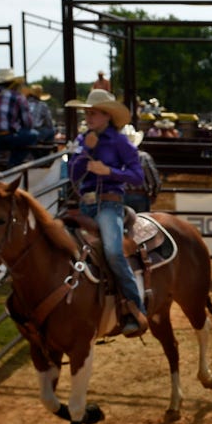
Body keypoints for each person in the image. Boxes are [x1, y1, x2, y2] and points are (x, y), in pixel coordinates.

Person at [66, 89, 147, 338]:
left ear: (106, 116)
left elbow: (138, 176)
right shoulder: (83, 140)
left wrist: (109, 172)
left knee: (113, 251)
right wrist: (84, 154)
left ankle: (135, 307)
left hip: (109, 205)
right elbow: (72, 175)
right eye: (87, 113)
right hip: (85, 205)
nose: (88, 117)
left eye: (93, 113)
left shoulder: (120, 142)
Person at [0, 68, 36, 168]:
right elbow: (28, 123)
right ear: (12, 83)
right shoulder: (18, 97)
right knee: (33, 135)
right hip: (5, 137)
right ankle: (13, 163)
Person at [120, 125, 161, 213]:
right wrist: (154, 194)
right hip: (140, 196)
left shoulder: (115, 157)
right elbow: (155, 181)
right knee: (141, 222)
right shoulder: (144, 157)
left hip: (119, 196)